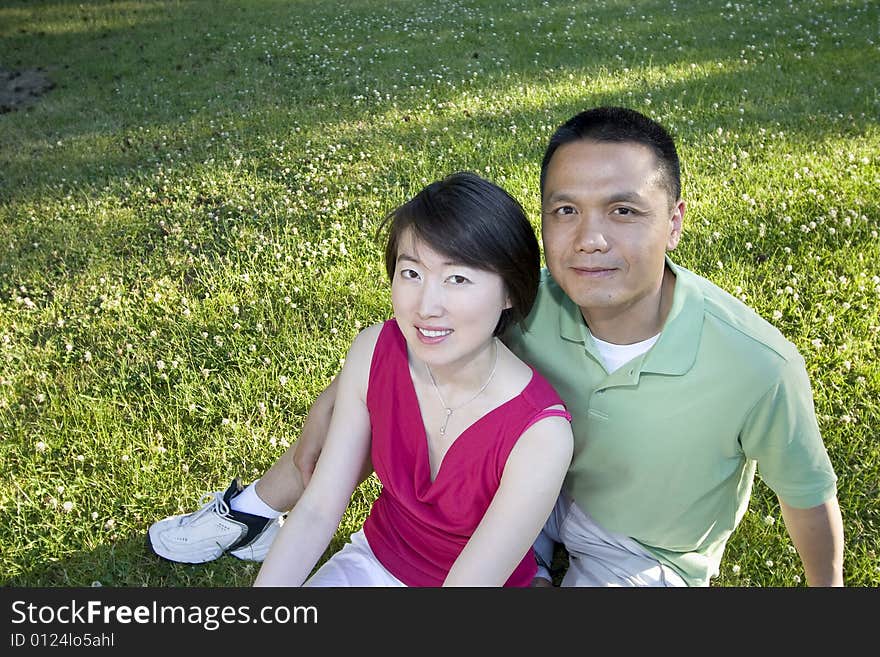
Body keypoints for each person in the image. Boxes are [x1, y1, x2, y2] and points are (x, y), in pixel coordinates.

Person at [148, 107, 844, 587]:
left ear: (676, 220)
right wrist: (333, 415)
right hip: (506, 503)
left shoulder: (760, 364)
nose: (591, 238)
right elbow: (417, 335)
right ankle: (257, 508)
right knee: (353, 417)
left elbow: (808, 499)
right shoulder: (531, 299)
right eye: (566, 210)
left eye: (623, 210)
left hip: (638, 547)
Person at [155, 171, 574, 586]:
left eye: (457, 279)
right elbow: (319, 508)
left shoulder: (542, 434)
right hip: (373, 563)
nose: (427, 305)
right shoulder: (376, 350)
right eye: (412, 273)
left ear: (510, 293)